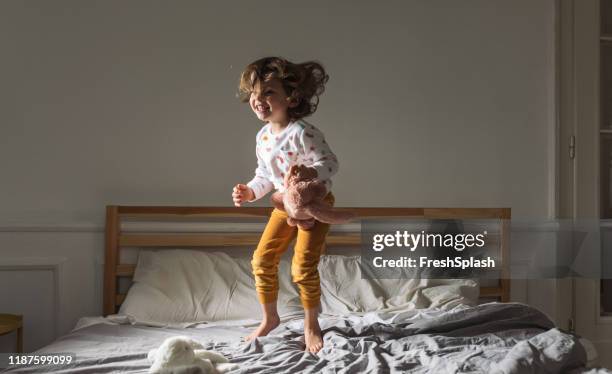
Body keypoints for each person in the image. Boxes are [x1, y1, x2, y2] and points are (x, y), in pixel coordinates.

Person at [231, 56, 339, 354]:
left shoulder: (304, 132)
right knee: (261, 259)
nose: (258, 100)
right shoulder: (263, 136)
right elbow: (265, 176)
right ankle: (270, 318)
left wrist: (310, 174)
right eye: (254, 94)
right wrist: (250, 192)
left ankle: (311, 325)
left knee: (302, 265)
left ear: (291, 98)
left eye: (268, 92)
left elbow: (330, 162)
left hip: (313, 203)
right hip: (283, 205)